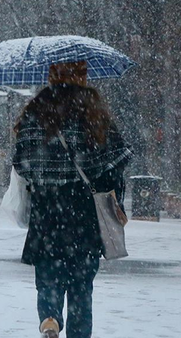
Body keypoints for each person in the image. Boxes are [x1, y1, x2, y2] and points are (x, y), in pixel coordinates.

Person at [12, 61, 133, 338]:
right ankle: (78, 332)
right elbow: (118, 158)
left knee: (48, 276)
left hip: (47, 211)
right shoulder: (94, 114)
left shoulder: (36, 112)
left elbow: (21, 163)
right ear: (83, 76)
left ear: (52, 77)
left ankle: (50, 317)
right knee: (81, 287)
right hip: (84, 213)